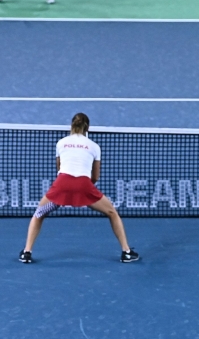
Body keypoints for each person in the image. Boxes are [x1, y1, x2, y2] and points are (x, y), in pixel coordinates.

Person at [20, 113, 138, 264]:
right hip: (84, 186)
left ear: (71, 126)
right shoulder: (94, 146)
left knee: (39, 213)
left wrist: (67, 191)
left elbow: (60, 168)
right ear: (87, 128)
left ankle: (27, 253)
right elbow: (95, 176)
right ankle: (126, 252)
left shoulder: (61, 143)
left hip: (62, 185)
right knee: (112, 212)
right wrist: (83, 193)